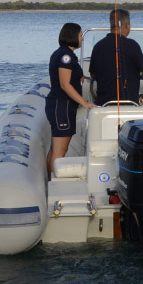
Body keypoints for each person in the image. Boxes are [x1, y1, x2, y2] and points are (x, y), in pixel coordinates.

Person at [45, 22, 95, 176]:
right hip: (62, 106)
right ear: (73, 36)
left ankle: (49, 181)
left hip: (59, 105)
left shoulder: (62, 53)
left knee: (55, 149)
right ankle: (55, 185)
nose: (82, 39)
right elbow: (65, 84)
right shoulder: (66, 56)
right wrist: (84, 103)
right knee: (60, 150)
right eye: (81, 35)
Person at [89, 9, 143, 106]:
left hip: (103, 105)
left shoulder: (98, 46)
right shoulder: (132, 45)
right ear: (126, 25)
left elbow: (93, 74)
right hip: (128, 105)